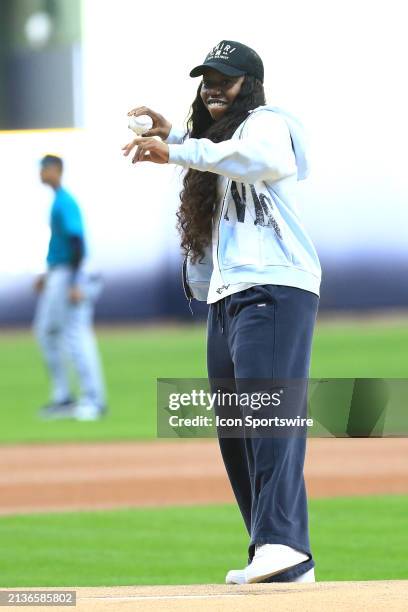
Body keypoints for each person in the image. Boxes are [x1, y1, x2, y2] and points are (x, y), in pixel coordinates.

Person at [123, 40, 321, 584]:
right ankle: (275, 551)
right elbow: (221, 149)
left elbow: (253, 157)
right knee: (236, 428)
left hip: (276, 287)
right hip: (229, 295)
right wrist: (178, 137)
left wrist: (182, 149)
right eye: (207, 78)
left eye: (224, 79)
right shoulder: (220, 136)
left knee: (267, 415)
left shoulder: (268, 123)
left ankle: (284, 543)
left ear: (250, 84)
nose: (212, 87)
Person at [33, 154, 106, 421]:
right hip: (59, 272)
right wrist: (47, 273)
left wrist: (75, 282)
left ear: (57, 170)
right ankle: (63, 398)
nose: (42, 173)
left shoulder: (65, 202)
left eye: (45, 169)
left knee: (76, 335)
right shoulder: (58, 201)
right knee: (48, 332)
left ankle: (94, 401)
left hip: (73, 274)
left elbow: (78, 242)